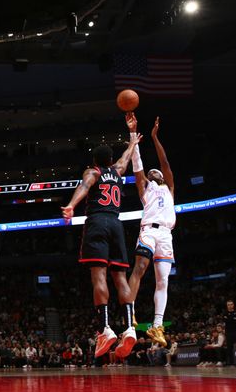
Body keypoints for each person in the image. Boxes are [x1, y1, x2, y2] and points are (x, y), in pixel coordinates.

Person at [61, 114, 141, 360]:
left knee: (99, 276)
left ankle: (105, 329)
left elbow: (84, 186)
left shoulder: (92, 171)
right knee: (121, 278)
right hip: (116, 224)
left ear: (95, 160)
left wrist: (72, 205)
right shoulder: (117, 171)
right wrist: (132, 140)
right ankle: (129, 327)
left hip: (97, 222)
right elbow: (125, 159)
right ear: (110, 160)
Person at [126, 115, 176, 347]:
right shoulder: (146, 187)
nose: (156, 171)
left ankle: (157, 325)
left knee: (163, 281)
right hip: (148, 230)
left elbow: (164, 162)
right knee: (140, 268)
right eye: (153, 171)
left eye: (159, 172)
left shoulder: (170, 188)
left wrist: (155, 138)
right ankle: (130, 314)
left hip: (166, 234)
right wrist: (133, 134)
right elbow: (138, 167)